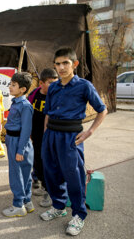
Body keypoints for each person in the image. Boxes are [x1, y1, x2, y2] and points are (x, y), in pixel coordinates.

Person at [40, 48, 107, 236]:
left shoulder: (84, 86)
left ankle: (78, 215)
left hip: (71, 137)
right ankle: (59, 206)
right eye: (58, 64)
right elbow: (47, 113)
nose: (61, 67)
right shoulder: (52, 87)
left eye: (65, 63)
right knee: (51, 173)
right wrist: (46, 134)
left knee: (74, 176)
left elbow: (102, 110)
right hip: (51, 135)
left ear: (74, 64)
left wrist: (89, 132)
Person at [2, 72, 34, 217]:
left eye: (13, 85)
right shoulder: (16, 102)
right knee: (24, 173)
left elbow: (26, 130)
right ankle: (27, 201)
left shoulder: (25, 106)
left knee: (17, 174)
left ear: (23, 89)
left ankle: (18, 205)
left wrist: (20, 150)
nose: (10, 87)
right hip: (15, 141)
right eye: (10, 84)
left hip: (18, 142)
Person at [27, 68, 58, 207]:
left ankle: (49, 190)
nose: (54, 86)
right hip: (36, 135)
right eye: (50, 83)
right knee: (37, 160)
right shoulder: (33, 95)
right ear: (41, 83)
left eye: (56, 83)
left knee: (49, 162)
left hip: (51, 135)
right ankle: (39, 181)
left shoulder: (57, 96)